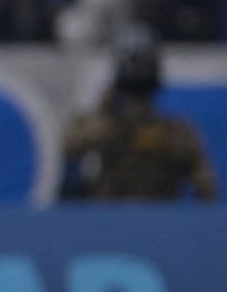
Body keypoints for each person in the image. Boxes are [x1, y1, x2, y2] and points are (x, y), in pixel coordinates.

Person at [62, 44, 219, 201]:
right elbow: (70, 145)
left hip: (160, 215)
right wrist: (105, 112)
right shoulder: (107, 128)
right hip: (111, 211)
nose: (137, 103)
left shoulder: (176, 132)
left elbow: (206, 185)